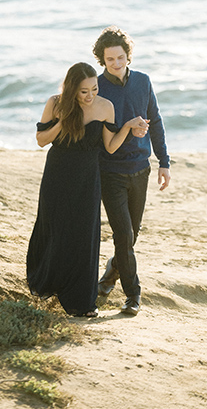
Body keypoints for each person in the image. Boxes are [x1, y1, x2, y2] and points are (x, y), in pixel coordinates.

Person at [27, 62, 147, 317]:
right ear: (72, 90)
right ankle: (51, 285)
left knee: (84, 234)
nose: (90, 95)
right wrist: (63, 119)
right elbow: (41, 141)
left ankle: (81, 302)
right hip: (58, 173)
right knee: (56, 228)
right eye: (84, 91)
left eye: (94, 88)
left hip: (87, 176)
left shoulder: (106, 106)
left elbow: (110, 147)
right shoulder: (56, 103)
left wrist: (126, 128)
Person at [93, 26, 171, 316]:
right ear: (102, 59)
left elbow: (157, 121)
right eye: (110, 59)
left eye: (121, 57)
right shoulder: (97, 88)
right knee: (123, 235)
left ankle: (107, 277)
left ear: (128, 55)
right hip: (110, 171)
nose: (116, 63)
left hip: (141, 169)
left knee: (131, 235)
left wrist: (164, 161)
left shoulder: (143, 81)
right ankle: (133, 295)